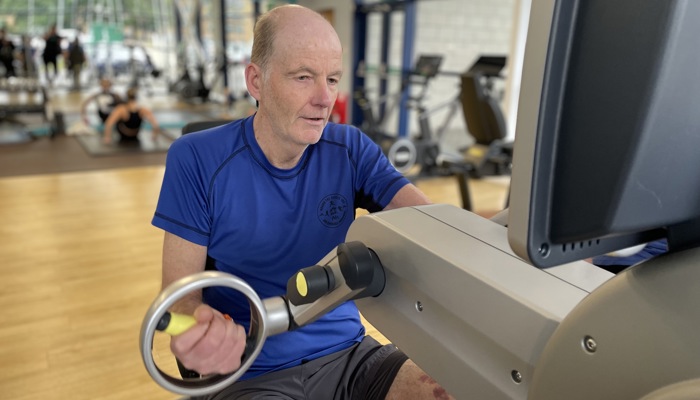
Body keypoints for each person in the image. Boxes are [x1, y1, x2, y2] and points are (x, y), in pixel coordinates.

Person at [151, 5, 454, 400]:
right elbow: (175, 305)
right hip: (250, 371)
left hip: (351, 358)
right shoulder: (196, 158)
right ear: (256, 81)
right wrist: (194, 331)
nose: (324, 98)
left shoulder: (350, 148)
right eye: (304, 77)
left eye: (332, 79)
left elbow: (428, 224)